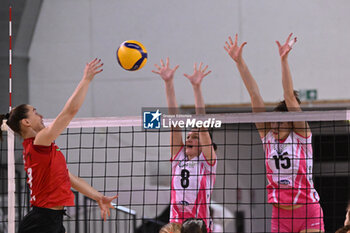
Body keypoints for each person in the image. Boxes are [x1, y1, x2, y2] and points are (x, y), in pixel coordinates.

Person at [0, 58, 117, 233]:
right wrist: (86, 80)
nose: (40, 115)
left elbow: (70, 178)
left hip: (52, 220)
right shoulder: (39, 142)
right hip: (41, 223)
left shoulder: (42, 146)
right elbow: (69, 112)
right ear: (26, 122)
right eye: (35, 112)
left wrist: (98, 196)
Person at [224, 33, 324, 232]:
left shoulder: (301, 136)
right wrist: (239, 61)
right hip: (280, 214)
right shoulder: (267, 137)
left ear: (291, 122)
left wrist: (284, 60)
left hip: (307, 211)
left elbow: (289, 97)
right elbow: (254, 94)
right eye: (273, 121)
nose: (274, 125)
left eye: (280, 122)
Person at [152, 58, 217, 232]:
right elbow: (174, 123)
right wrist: (168, 82)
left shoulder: (208, 163)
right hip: (176, 225)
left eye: (194, 137)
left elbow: (203, 125)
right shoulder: (179, 157)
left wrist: (196, 87)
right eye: (188, 136)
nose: (189, 139)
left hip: (199, 225)